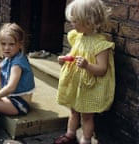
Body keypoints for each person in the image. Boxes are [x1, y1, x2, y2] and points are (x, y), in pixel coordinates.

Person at [54, 0, 115, 144]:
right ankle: (70, 134)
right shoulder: (77, 37)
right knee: (73, 111)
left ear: (88, 21)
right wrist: (64, 59)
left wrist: (87, 65)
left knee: (87, 116)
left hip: (89, 87)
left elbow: (102, 69)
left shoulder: (101, 44)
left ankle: (86, 139)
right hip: (76, 84)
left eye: (75, 21)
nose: (72, 24)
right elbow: (74, 54)